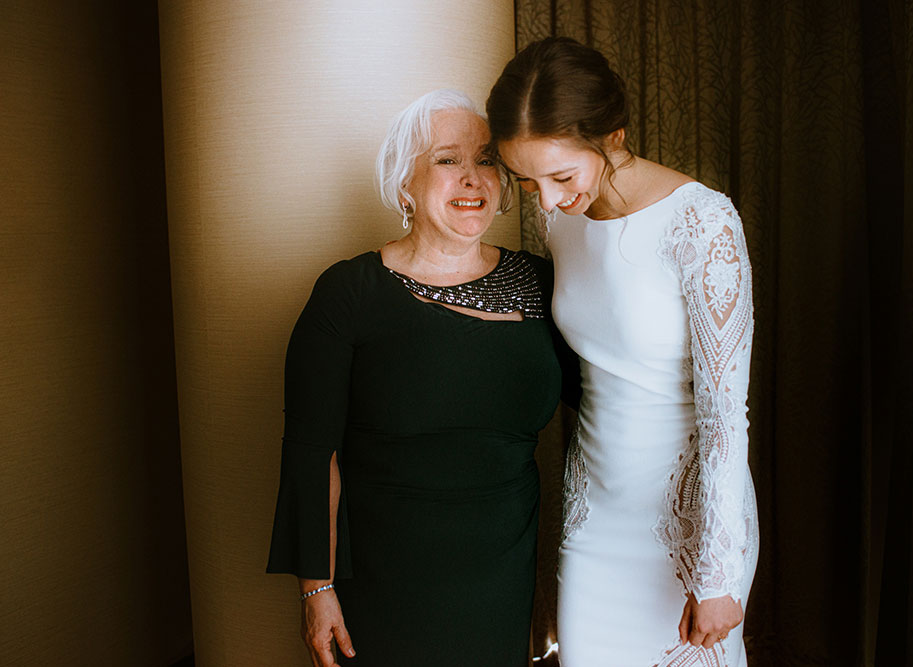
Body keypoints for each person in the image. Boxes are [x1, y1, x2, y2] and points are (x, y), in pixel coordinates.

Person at [266, 89, 566, 667]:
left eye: (486, 160)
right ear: (404, 185)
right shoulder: (348, 293)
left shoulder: (543, 284)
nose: (472, 178)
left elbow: (608, 405)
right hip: (386, 580)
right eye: (447, 160)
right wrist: (316, 588)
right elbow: (311, 452)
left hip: (506, 574)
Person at [486, 37, 759, 667]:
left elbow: (725, 418)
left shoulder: (704, 224)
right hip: (594, 515)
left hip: (689, 525)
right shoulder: (563, 221)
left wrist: (718, 570)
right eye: (529, 183)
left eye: (561, 176)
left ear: (613, 136)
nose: (548, 201)